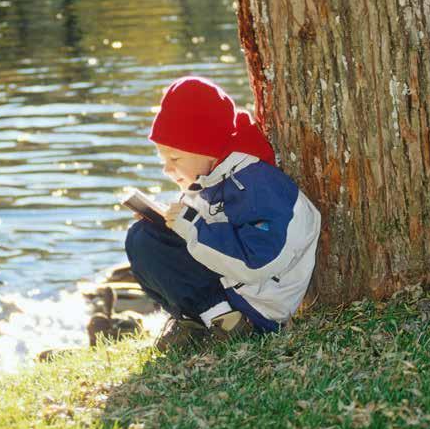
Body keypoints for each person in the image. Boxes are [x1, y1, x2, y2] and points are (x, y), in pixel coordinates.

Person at [125, 76, 321, 350]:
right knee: (142, 237)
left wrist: (190, 225)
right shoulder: (209, 178)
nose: (167, 170)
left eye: (175, 159)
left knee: (150, 241)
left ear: (205, 148)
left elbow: (258, 262)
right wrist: (166, 224)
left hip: (259, 302)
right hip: (232, 285)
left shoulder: (257, 185)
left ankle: (230, 324)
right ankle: (202, 320)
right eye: (163, 160)